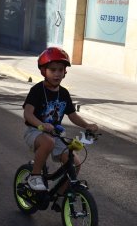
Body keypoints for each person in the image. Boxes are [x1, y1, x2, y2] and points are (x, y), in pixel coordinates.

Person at [22, 47, 99, 191]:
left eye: (60, 70)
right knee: (48, 142)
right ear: (44, 71)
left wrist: (87, 125)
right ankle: (34, 175)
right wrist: (41, 125)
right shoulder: (37, 90)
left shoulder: (64, 93)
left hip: (54, 135)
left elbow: (72, 115)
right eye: (53, 70)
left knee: (75, 164)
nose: (57, 74)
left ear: (65, 72)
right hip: (35, 131)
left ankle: (60, 196)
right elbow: (28, 114)